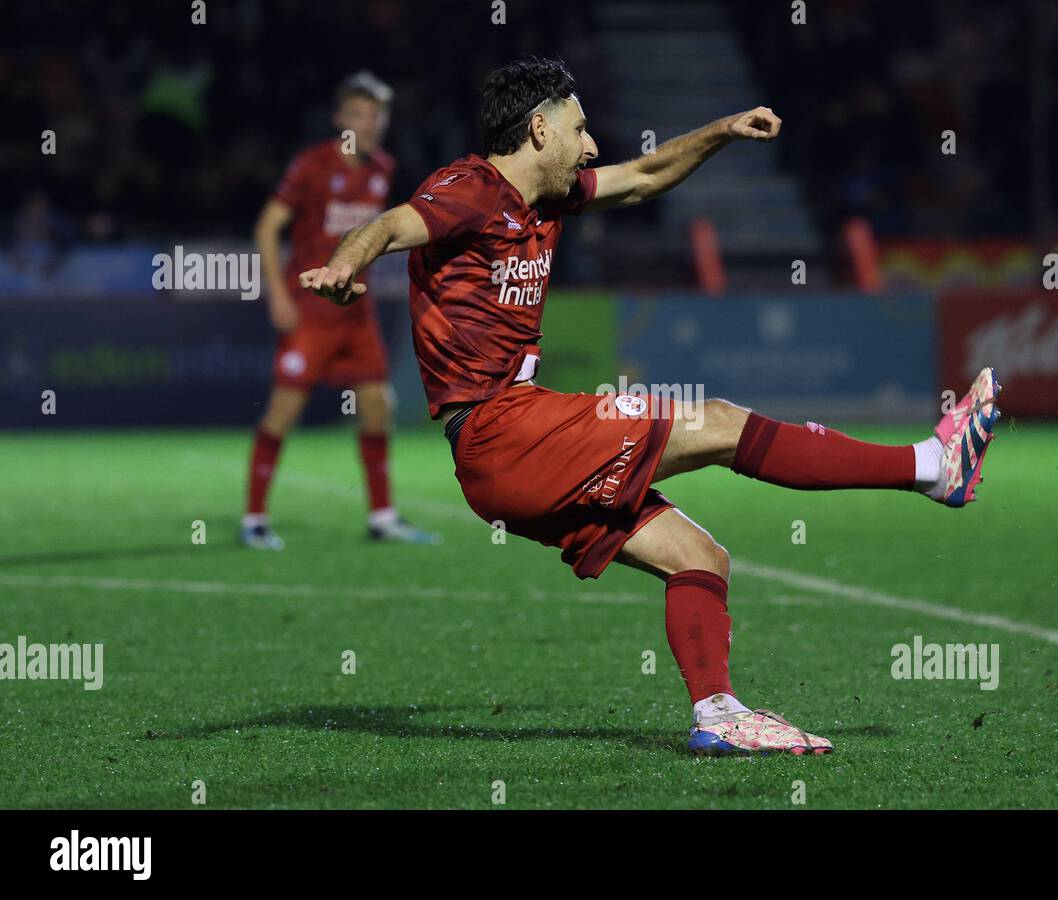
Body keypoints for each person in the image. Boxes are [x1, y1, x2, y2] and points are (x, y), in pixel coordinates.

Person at [299, 58, 1000, 755]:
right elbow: (391, 225)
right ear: (538, 130)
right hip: (501, 429)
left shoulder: (550, 195)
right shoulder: (469, 189)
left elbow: (646, 176)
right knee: (719, 421)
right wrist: (344, 265)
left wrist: (722, 129)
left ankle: (718, 715)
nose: (592, 145)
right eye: (580, 129)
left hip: (515, 451)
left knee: (700, 558)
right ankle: (932, 466)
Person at [243, 71, 437, 550]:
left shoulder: (382, 169)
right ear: (338, 118)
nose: (367, 125)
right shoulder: (311, 165)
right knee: (282, 412)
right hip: (309, 310)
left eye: (376, 116)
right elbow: (267, 228)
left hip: (355, 312)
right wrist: (279, 295)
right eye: (358, 115)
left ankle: (382, 516)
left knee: (378, 408)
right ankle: (254, 519)